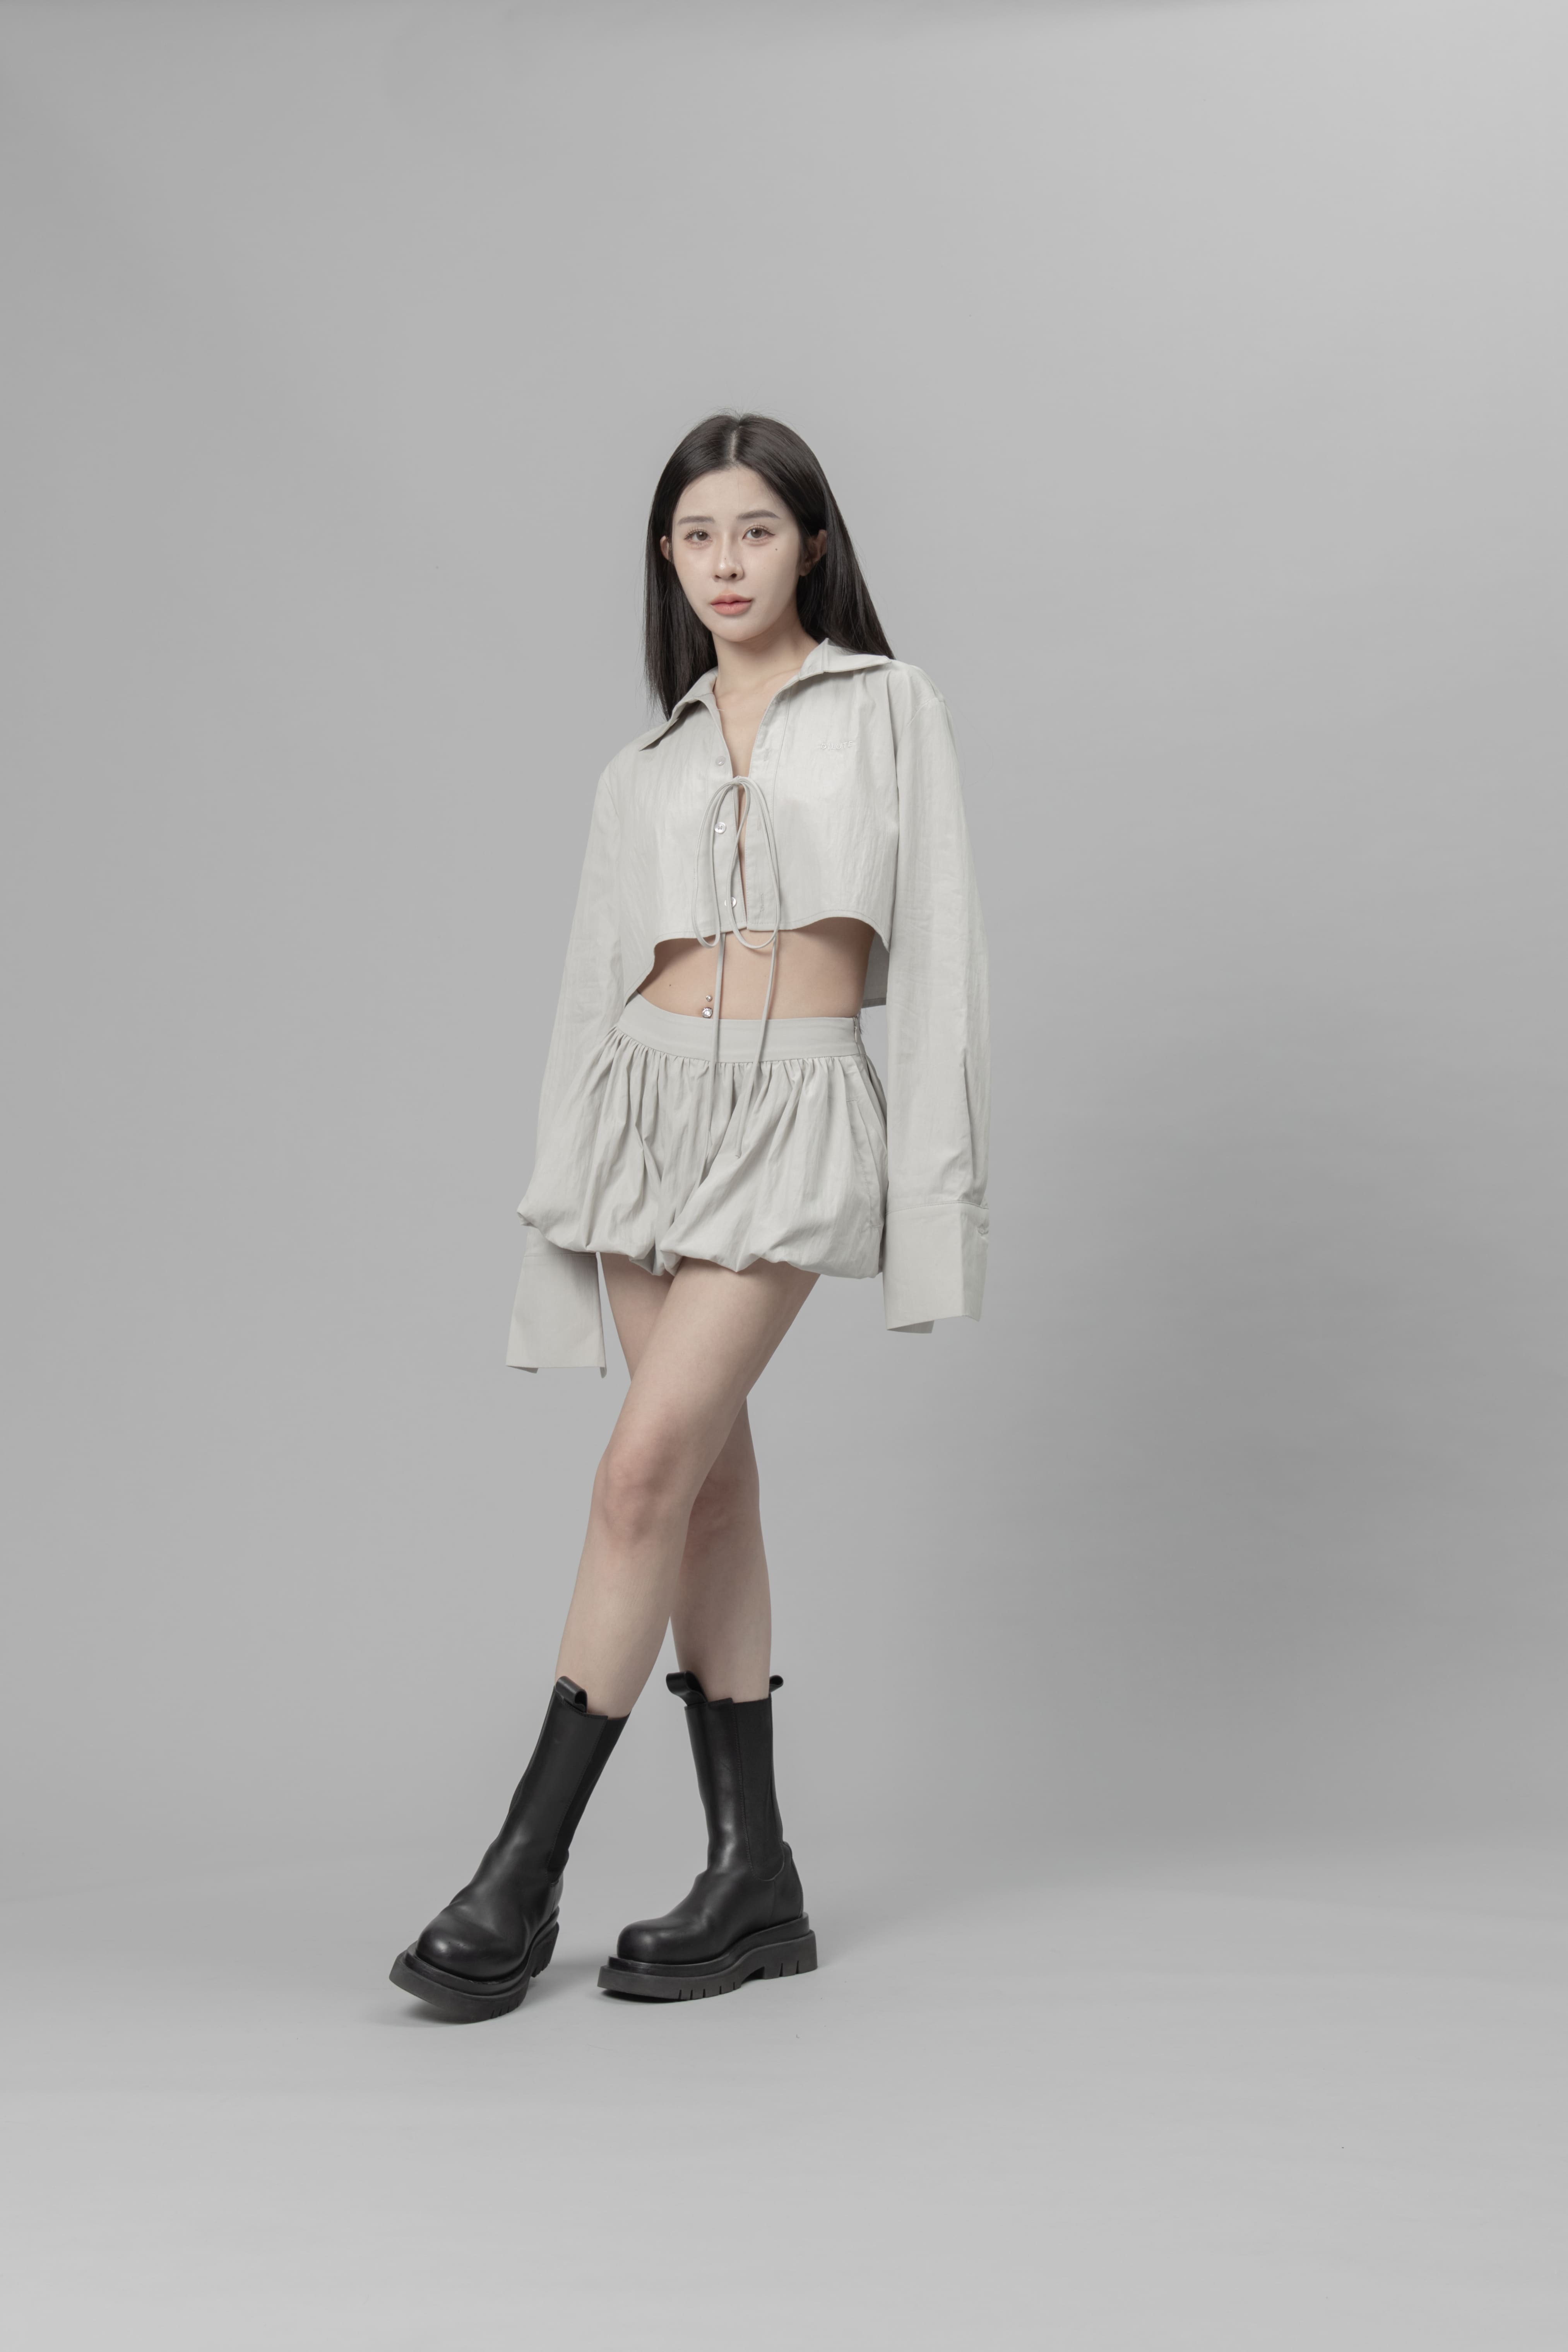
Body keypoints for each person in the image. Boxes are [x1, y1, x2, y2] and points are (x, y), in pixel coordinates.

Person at [390, 413, 990, 2020]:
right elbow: (592, 990)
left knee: (639, 1470)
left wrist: (935, 1207)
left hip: (794, 1115)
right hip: (639, 1116)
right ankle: (753, 1878)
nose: (726, 563)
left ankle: (518, 1872)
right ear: (665, 558)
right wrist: (557, 1203)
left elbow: (941, 961)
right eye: (697, 536)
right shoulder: (639, 767)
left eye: (756, 531)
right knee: (705, 1488)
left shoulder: (888, 706)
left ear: (812, 545)